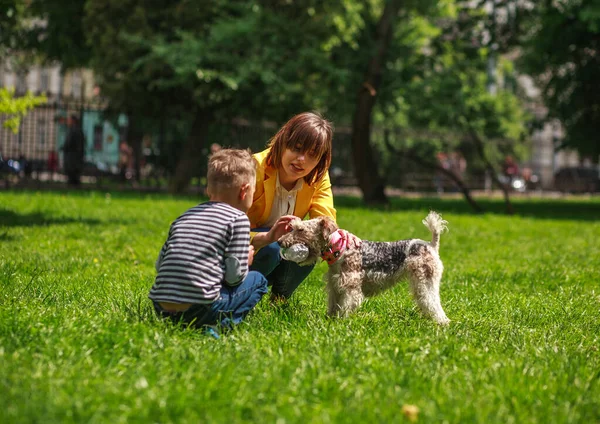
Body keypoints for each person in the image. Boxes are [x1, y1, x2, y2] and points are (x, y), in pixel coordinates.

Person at [149, 149, 268, 336]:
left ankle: (184, 323)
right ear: (244, 191)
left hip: (160, 307)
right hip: (200, 308)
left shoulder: (184, 216)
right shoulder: (238, 219)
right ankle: (221, 325)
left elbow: (159, 265)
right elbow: (234, 278)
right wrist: (245, 261)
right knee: (259, 281)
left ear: (208, 189)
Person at [247, 111, 359, 302]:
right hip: (243, 250)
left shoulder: (318, 177)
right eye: (297, 149)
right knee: (273, 247)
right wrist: (265, 238)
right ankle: (244, 294)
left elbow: (325, 222)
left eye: (312, 155)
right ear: (283, 142)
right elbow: (225, 225)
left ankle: (279, 300)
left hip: (277, 249)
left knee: (310, 245)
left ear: (321, 159)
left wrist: (343, 239)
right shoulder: (253, 168)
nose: (302, 160)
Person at [62, 115, 85, 186]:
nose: (67, 122)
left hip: (73, 156)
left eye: (69, 120)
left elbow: (71, 143)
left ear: (73, 121)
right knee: (73, 174)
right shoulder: (75, 130)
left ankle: (73, 185)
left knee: (73, 173)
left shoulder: (74, 130)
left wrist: (65, 147)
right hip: (74, 156)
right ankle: (73, 185)